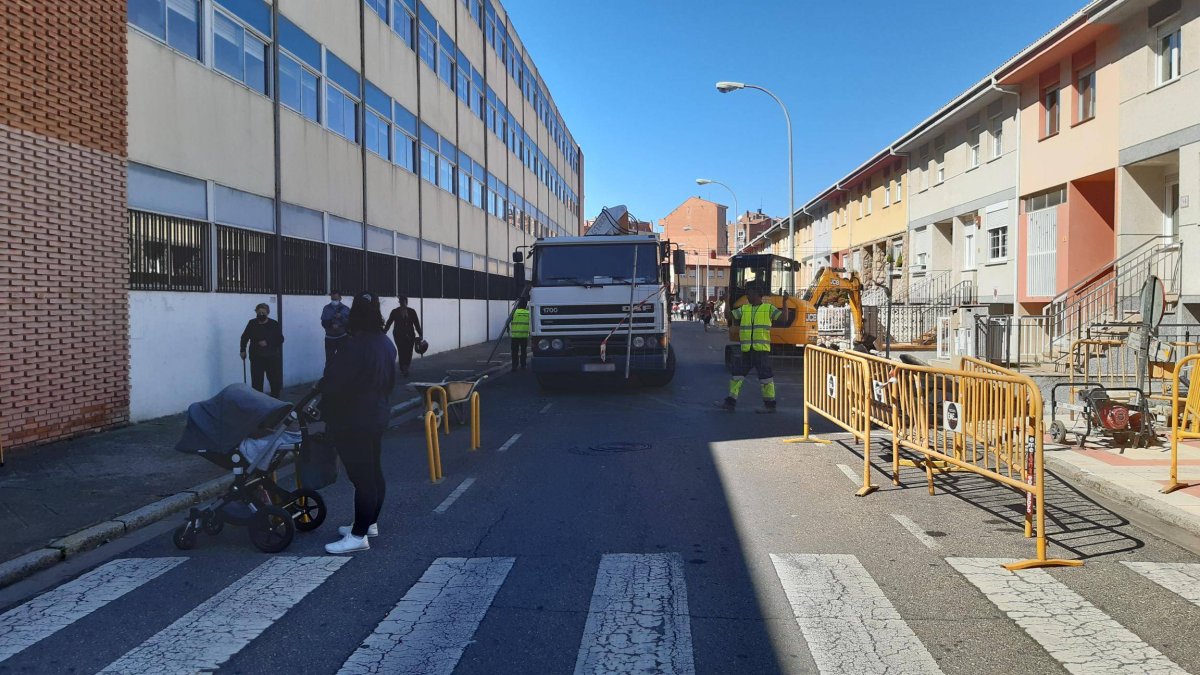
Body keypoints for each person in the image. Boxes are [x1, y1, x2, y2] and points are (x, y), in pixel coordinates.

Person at [321, 291, 397, 554]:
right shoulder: (386, 343)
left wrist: (324, 412)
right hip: (377, 414)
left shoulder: (353, 345)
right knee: (374, 471)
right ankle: (370, 522)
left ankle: (358, 535)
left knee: (361, 478)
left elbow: (333, 384)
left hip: (353, 419)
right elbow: (390, 381)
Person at [718, 285, 782, 414]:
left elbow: (783, 318)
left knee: (766, 378)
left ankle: (770, 405)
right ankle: (730, 402)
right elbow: (729, 316)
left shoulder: (768, 308)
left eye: (751, 293)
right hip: (747, 350)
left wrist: (785, 303)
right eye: (748, 294)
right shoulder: (744, 309)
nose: (748, 296)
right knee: (737, 376)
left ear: (759, 295)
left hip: (761, 351)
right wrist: (726, 301)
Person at [239, 303, 284, 398]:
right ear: (256, 312)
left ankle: (275, 402)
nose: (261, 314)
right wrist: (242, 350)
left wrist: (267, 342)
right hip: (256, 357)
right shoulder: (252, 323)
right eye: (259, 312)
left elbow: (280, 339)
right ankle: (258, 402)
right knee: (256, 382)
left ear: (267, 313)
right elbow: (244, 337)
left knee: (274, 381)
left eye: (263, 312)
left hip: (271, 357)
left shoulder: (273, 324)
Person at [384, 296, 423, 377]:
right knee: (401, 350)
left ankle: (406, 366)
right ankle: (404, 368)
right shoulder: (395, 312)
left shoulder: (412, 312)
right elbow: (389, 322)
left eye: (404, 301)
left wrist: (420, 334)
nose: (402, 303)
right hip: (399, 335)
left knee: (409, 351)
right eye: (401, 301)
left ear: (406, 302)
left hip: (410, 335)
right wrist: (384, 331)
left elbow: (416, 323)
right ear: (399, 302)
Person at [321, 291, 350, 364]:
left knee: (344, 359)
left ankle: (342, 375)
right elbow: (323, 322)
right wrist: (331, 325)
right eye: (332, 299)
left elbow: (349, 323)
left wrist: (341, 318)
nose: (334, 301)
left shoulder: (346, 309)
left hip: (342, 337)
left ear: (340, 298)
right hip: (329, 338)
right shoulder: (326, 308)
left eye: (336, 299)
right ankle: (329, 375)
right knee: (329, 360)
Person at [510, 298, 530, 370]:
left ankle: (514, 366)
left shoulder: (514, 312)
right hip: (524, 336)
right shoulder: (528, 313)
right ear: (525, 305)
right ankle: (523, 365)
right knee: (523, 351)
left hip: (515, 336)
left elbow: (509, 321)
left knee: (514, 351)